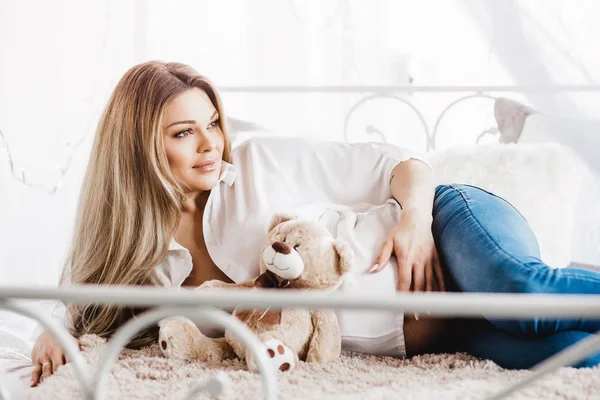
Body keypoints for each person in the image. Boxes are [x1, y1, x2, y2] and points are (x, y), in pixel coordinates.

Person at [30, 61, 600, 387]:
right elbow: (81, 299)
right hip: (433, 330)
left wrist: (417, 223)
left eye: (212, 123)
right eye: (184, 133)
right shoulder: (145, 263)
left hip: (448, 225)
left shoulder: (259, 161)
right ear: (138, 147)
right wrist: (46, 335)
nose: (211, 144)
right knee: (569, 349)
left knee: (526, 295)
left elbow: (404, 163)